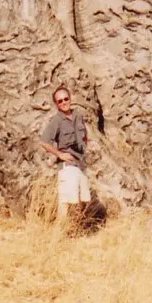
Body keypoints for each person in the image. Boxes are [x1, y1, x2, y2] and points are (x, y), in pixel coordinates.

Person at [39, 84, 91, 217]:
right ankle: (61, 233)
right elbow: (44, 142)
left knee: (81, 200)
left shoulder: (78, 116)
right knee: (67, 202)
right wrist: (60, 154)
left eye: (65, 99)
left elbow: (85, 136)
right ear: (56, 104)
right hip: (68, 165)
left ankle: (75, 230)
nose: (64, 102)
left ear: (70, 99)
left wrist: (84, 148)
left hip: (81, 163)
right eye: (60, 101)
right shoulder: (56, 120)